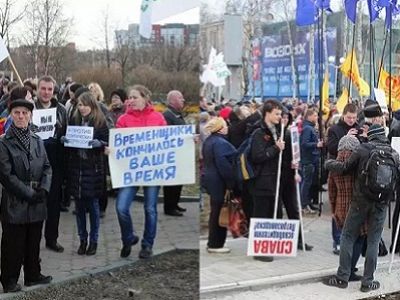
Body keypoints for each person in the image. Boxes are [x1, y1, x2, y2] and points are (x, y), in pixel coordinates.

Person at [324, 124, 400, 292]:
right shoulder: (394, 154)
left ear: (371, 136)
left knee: (348, 236)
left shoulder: (363, 149)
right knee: (373, 240)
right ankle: (368, 282)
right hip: (381, 204)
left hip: (360, 201)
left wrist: (328, 163)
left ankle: (342, 277)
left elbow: (344, 168)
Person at [0, 98, 52, 293]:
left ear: (30, 115)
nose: (21, 116)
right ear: (11, 115)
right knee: (13, 244)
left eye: (24, 113)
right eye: (16, 113)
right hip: (15, 202)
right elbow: (6, 175)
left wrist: (44, 189)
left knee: (33, 241)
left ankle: (33, 274)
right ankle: (9, 280)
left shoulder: (37, 140)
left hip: (37, 200)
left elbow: (47, 167)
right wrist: (28, 193)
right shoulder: (4, 143)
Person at [115, 85, 167, 259]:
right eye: (129, 97)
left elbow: (169, 142)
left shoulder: (158, 118)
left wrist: (189, 141)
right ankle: (128, 238)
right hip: (131, 170)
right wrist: (111, 149)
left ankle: (147, 245)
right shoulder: (123, 120)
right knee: (121, 207)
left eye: (135, 97)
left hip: (152, 170)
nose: (131, 100)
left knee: (150, 209)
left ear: (145, 98)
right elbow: (119, 144)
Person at [63, 92, 109, 255]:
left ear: (92, 105)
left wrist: (100, 144)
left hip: (93, 170)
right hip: (77, 170)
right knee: (79, 208)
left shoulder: (100, 122)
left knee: (94, 208)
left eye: (85, 104)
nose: (82, 108)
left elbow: (108, 142)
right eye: (80, 105)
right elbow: (70, 142)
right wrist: (66, 141)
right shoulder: (74, 120)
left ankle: (94, 241)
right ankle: (82, 240)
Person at [34, 75, 67, 253]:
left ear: (53, 91)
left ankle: (51, 239)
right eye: (43, 88)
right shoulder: (29, 108)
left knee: (54, 203)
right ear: (37, 89)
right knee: (37, 202)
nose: (46, 92)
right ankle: (34, 240)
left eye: (49, 89)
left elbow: (67, 132)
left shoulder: (61, 109)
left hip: (55, 160)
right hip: (35, 161)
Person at [250, 99, 285, 262]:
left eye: (280, 113)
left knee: (274, 213)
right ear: (267, 113)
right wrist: (275, 148)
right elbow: (257, 156)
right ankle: (259, 250)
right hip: (262, 181)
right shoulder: (258, 132)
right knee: (262, 214)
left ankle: (270, 245)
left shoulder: (277, 130)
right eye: (277, 114)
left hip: (274, 180)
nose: (280, 117)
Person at [328, 135, 365, 279]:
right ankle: (350, 269)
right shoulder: (357, 165)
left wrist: (332, 210)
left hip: (340, 207)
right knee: (359, 238)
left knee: (345, 238)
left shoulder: (333, 166)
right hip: (357, 207)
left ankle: (344, 269)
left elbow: (331, 191)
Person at [202, 117, 237, 254]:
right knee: (220, 212)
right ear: (221, 128)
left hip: (211, 180)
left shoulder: (209, 141)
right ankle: (216, 244)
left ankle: (213, 242)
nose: (228, 127)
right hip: (219, 182)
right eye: (225, 125)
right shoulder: (221, 143)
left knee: (215, 211)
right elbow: (224, 166)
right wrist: (231, 183)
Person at [162, 90, 187, 217]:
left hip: (180, 152)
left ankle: (175, 203)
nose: (183, 100)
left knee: (179, 180)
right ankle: (169, 206)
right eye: (180, 98)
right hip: (172, 153)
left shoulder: (177, 114)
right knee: (172, 182)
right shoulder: (168, 114)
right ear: (172, 100)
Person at [300, 108, 323, 214]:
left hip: (312, 159)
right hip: (308, 159)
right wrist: (316, 144)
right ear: (309, 116)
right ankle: (304, 204)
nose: (316, 118)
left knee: (309, 183)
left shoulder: (310, 128)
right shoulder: (307, 129)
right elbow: (304, 144)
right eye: (314, 116)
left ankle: (308, 202)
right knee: (306, 183)